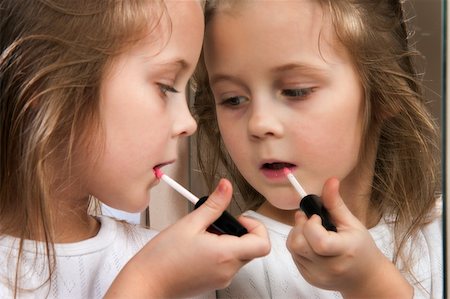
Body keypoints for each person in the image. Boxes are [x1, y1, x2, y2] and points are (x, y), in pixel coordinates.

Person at [0, 0, 270, 298]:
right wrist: (151, 282)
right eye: (166, 86)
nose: (188, 123)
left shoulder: (176, 266)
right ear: (43, 79)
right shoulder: (162, 273)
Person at [193, 0, 442, 298]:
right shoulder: (232, 265)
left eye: (296, 91)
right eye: (233, 99)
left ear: (383, 92)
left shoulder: (440, 232)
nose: (259, 124)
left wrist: (371, 283)